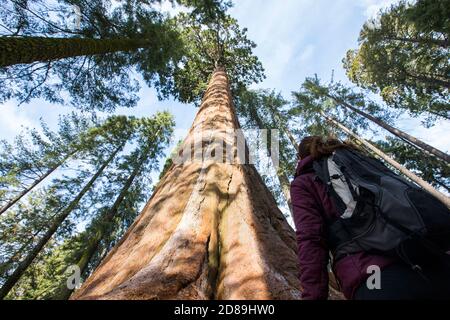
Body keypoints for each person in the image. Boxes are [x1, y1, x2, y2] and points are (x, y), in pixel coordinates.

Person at [290, 136, 450, 300]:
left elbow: (310, 239)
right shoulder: (359, 160)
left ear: (301, 157)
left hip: (375, 275)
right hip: (432, 258)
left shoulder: (304, 182)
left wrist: (313, 296)